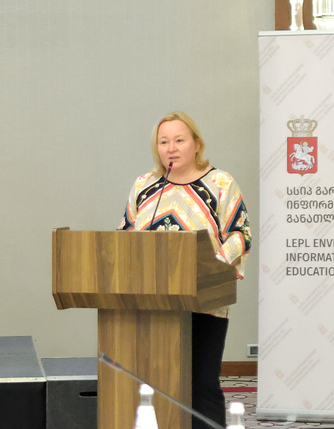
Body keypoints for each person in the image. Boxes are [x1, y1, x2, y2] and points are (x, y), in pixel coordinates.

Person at [119, 111, 252, 428]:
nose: (171, 148)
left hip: (204, 300)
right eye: (163, 142)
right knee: (155, 382)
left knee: (201, 383)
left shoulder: (220, 183)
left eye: (179, 140)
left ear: (196, 144)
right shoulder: (145, 185)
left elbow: (240, 234)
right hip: (152, 301)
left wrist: (211, 266)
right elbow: (125, 234)